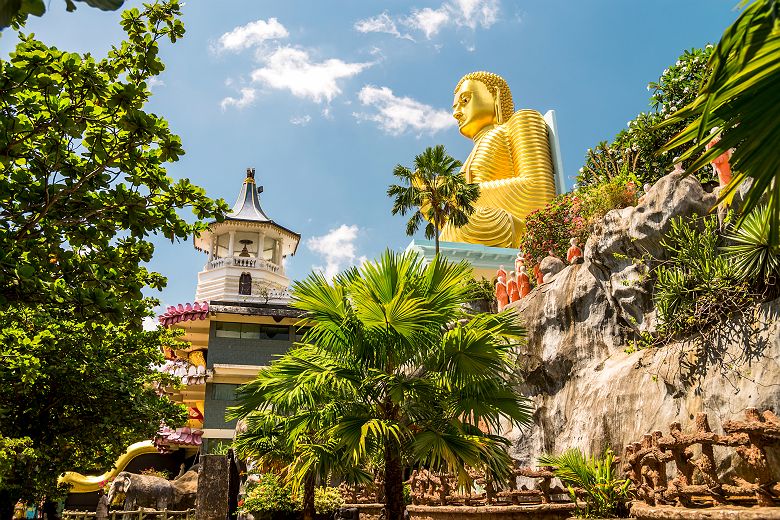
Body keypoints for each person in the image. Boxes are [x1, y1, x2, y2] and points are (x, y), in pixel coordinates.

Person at [439, 71, 557, 248]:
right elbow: (465, 211)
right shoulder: (469, 157)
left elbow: (540, 191)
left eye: (465, 101)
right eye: (455, 107)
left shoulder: (520, 121)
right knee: (457, 225)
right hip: (479, 226)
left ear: (495, 93)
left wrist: (459, 193)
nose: (456, 112)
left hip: (518, 229)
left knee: (464, 223)